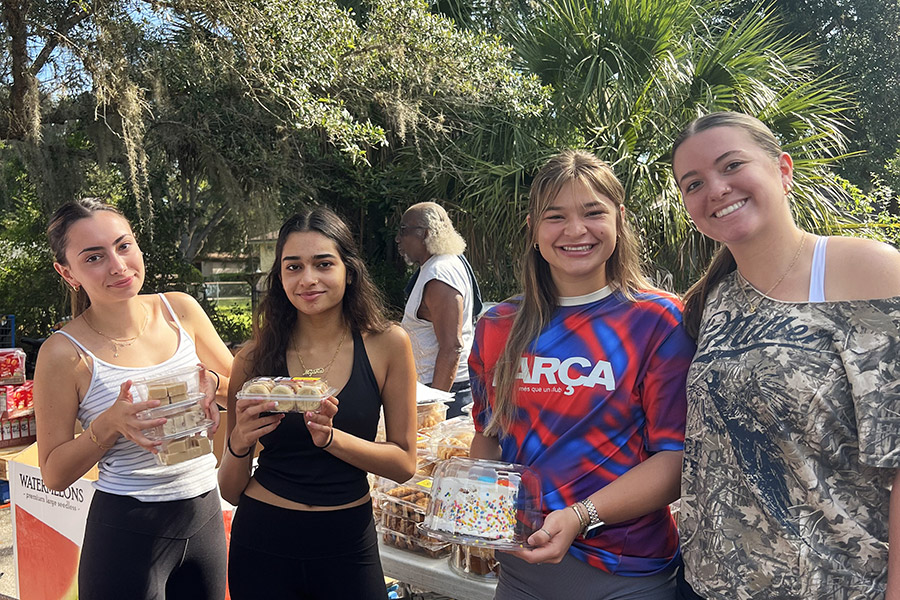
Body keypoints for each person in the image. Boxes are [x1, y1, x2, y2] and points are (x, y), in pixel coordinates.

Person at [671, 111, 900, 600]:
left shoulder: (867, 272)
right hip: (706, 583)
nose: (715, 189)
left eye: (731, 165)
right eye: (693, 183)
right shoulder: (713, 299)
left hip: (835, 584)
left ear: (783, 169)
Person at [468, 150, 696, 599]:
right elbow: (489, 438)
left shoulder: (659, 321)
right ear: (534, 228)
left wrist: (580, 516)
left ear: (619, 219)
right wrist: (471, 505)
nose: (575, 231)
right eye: (556, 217)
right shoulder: (497, 325)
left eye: (593, 213)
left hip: (626, 572)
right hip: (520, 569)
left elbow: (675, 460)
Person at [34, 198, 233, 600]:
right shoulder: (63, 353)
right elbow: (54, 474)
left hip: (205, 513)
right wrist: (109, 424)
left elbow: (241, 390)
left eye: (124, 246)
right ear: (66, 272)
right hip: (128, 529)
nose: (117, 265)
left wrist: (212, 382)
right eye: (94, 257)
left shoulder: (181, 310)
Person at [219, 207, 417, 600]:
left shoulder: (388, 344)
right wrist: (239, 442)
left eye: (323, 264)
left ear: (349, 269)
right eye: (293, 267)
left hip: (347, 541)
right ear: (279, 277)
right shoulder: (254, 359)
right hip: (263, 540)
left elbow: (404, 464)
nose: (308, 279)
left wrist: (331, 439)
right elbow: (230, 489)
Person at [397, 201, 482, 417]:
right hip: (442, 388)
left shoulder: (439, 274)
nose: (398, 239)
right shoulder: (442, 265)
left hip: (444, 392)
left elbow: (452, 347)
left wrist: (432, 409)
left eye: (403, 230)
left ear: (424, 234)